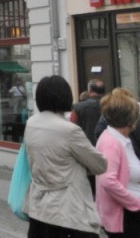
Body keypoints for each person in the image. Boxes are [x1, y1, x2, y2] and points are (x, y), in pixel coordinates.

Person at [24, 74, 106, 238]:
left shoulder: (31, 123)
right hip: (68, 212)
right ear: (65, 96)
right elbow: (99, 165)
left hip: (39, 207)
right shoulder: (69, 130)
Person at [95, 88, 140, 238]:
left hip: (128, 213)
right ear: (129, 120)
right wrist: (136, 204)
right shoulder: (112, 142)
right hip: (125, 215)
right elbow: (108, 181)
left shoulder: (118, 138)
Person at [71, 79, 105, 145]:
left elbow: (72, 128)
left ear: (89, 91)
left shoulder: (77, 107)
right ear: (103, 91)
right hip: (106, 145)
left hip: (85, 145)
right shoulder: (110, 106)